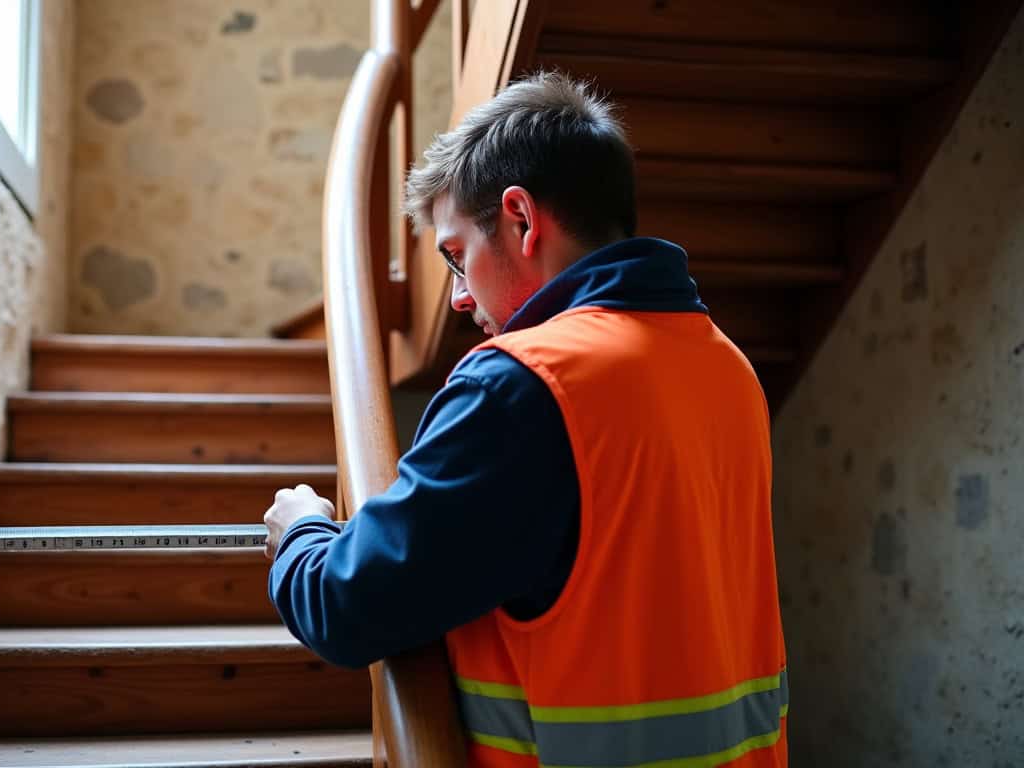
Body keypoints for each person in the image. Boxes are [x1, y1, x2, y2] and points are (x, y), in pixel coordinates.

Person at [263, 72, 788, 767]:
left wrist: (299, 532)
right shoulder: (725, 365)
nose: (457, 298)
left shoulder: (522, 385)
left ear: (520, 218)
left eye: (456, 256)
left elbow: (347, 606)